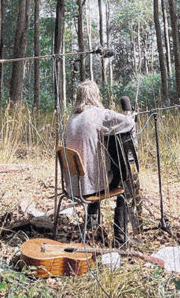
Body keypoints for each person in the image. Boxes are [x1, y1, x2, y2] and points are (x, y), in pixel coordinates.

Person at [63, 80, 135, 244]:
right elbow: (128, 122)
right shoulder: (97, 114)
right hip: (89, 186)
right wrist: (130, 114)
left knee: (97, 170)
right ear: (95, 96)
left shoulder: (71, 117)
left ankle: (92, 224)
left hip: (73, 184)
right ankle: (121, 236)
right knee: (124, 181)